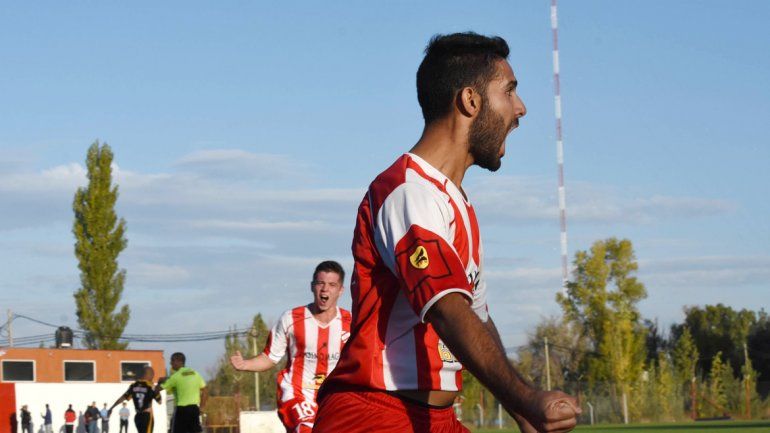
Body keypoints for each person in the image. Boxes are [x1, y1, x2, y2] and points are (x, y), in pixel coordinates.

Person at [313, 32, 581, 433]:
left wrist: (518, 406)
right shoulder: (407, 191)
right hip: (375, 414)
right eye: (510, 92)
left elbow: (476, 315)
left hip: (435, 418)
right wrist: (525, 396)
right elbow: (447, 307)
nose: (521, 109)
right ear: (470, 101)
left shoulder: (457, 204)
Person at [230, 261, 352, 433]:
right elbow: (270, 357)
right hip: (297, 392)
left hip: (333, 397)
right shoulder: (291, 319)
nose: (325, 289)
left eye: (332, 285)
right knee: (306, 429)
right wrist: (246, 364)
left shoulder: (351, 323)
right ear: (312, 287)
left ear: (340, 290)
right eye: (320, 283)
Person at [160, 353, 206, 433]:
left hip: (181, 410)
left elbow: (159, 389)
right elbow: (205, 390)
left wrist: (159, 382)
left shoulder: (175, 376)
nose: (170, 363)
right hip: (194, 409)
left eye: (172, 361)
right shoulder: (195, 374)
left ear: (179, 361)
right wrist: (201, 407)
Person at [107, 366, 162, 433]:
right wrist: (158, 386)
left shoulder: (133, 385)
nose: (153, 377)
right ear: (148, 375)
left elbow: (122, 398)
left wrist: (111, 408)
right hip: (146, 416)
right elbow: (160, 401)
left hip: (137, 417)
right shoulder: (151, 386)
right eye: (152, 375)